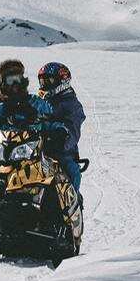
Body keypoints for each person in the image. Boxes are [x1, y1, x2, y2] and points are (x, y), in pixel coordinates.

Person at [0, 59, 59, 177]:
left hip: (29, 152)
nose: (15, 84)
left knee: (55, 172)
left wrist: (34, 113)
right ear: (3, 82)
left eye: (18, 79)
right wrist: (5, 109)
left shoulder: (32, 101)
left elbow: (49, 112)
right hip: (1, 150)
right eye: (10, 80)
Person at [37, 62, 85, 191]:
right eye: (42, 82)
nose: (44, 85)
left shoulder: (72, 105)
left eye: (49, 81)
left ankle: (73, 199)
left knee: (72, 171)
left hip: (60, 151)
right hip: (35, 148)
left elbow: (73, 130)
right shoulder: (40, 101)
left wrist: (62, 137)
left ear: (62, 81)